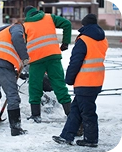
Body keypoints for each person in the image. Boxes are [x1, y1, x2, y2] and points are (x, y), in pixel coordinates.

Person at [52, 14, 108, 147]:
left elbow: (75, 61)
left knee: (88, 112)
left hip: (85, 81)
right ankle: (66, 136)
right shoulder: (102, 39)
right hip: (96, 80)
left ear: (85, 25)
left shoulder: (84, 40)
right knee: (76, 110)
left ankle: (91, 139)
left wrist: (69, 78)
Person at [23, 6, 72, 123]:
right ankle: (70, 114)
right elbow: (67, 24)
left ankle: (36, 115)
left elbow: (23, 44)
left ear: (27, 15)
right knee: (59, 84)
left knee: (34, 86)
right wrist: (65, 42)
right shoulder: (49, 18)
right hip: (53, 57)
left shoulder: (25, 26)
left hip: (36, 60)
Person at [0, 19, 29, 136]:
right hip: (2, 61)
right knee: (12, 95)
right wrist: (25, 58)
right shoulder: (17, 27)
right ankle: (16, 128)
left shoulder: (1, 32)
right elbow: (17, 38)